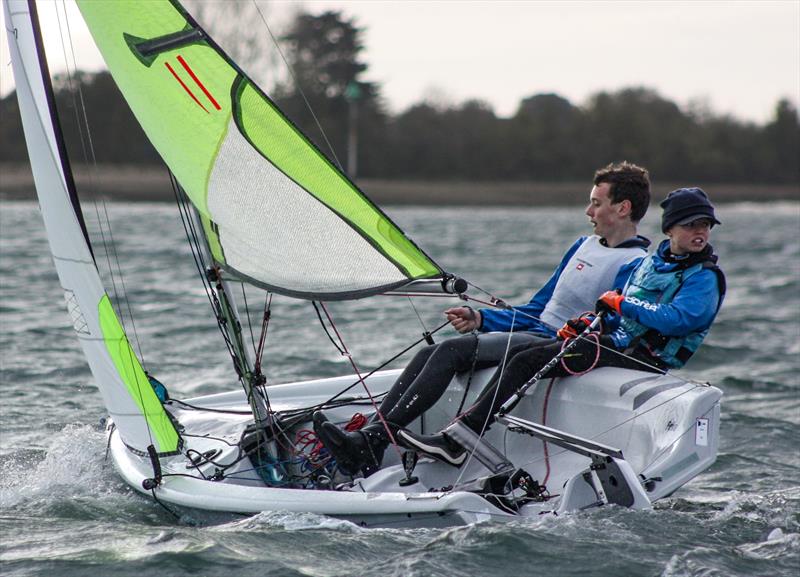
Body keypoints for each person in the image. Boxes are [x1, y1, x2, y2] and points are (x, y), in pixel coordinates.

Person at [314, 161, 652, 476]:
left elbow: (614, 326)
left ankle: (370, 442)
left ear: (623, 208)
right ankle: (373, 438)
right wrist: (481, 318)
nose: (588, 211)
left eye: (597, 203)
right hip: (535, 331)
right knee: (429, 352)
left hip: (554, 344)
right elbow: (536, 309)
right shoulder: (582, 245)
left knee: (450, 352)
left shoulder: (636, 264)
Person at [397, 187, 726, 465]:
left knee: (527, 359)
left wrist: (621, 303)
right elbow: (610, 314)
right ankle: (424, 434)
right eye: (690, 225)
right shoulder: (656, 263)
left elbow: (679, 318)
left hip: (643, 357)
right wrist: (586, 323)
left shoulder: (704, 277)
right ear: (670, 229)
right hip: (615, 342)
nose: (700, 232)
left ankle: (459, 440)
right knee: (528, 354)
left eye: (705, 225)